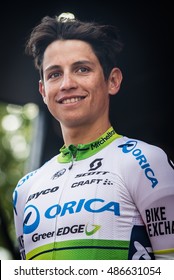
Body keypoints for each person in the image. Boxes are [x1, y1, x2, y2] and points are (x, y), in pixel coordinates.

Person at [13, 12, 174, 260]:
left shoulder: (146, 162)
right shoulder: (25, 189)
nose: (67, 83)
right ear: (44, 91)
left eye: (82, 69)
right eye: (55, 74)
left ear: (113, 81)